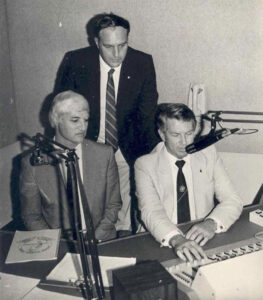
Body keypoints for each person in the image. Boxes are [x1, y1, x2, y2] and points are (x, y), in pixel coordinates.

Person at [54, 13, 159, 236]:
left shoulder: (142, 63)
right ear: (96, 43)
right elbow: (62, 109)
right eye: (109, 46)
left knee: (125, 212)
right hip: (87, 143)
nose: (117, 54)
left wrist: (153, 156)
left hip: (126, 146)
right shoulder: (76, 61)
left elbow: (146, 116)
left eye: (122, 45)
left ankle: (121, 244)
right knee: (88, 208)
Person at [135, 103, 243, 262]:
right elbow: (151, 211)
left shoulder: (209, 154)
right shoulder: (145, 165)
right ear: (162, 134)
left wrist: (211, 223)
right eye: (175, 135)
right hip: (160, 238)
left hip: (200, 237)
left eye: (189, 133)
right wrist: (177, 239)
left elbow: (232, 199)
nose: (184, 142)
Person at [20, 91, 122, 241]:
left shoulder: (104, 154)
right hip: (58, 244)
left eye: (86, 120)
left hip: (100, 240)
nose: (83, 127)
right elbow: (31, 216)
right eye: (75, 120)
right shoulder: (33, 163)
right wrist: (59, 245)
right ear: (55, 120)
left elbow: (113, 205)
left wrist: (94, 238)